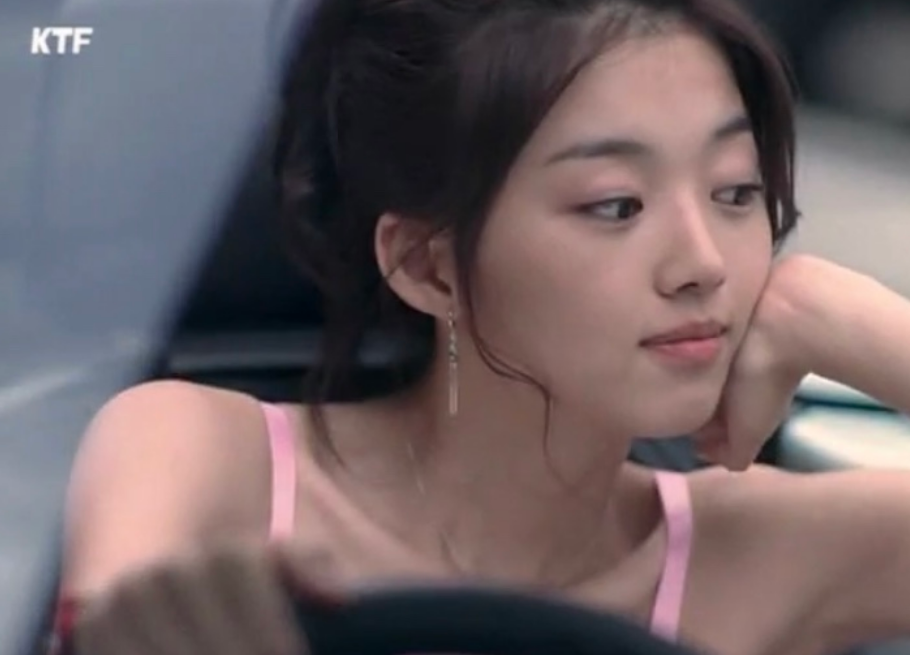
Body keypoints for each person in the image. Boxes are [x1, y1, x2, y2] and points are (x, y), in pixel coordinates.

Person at [56, 0, 910, 653]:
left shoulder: (755, 550)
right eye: (616, 204)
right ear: (428, 266)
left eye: (736, 192)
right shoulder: (206, 454)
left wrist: (838, 316)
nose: (704, 262)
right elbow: (112, 628)